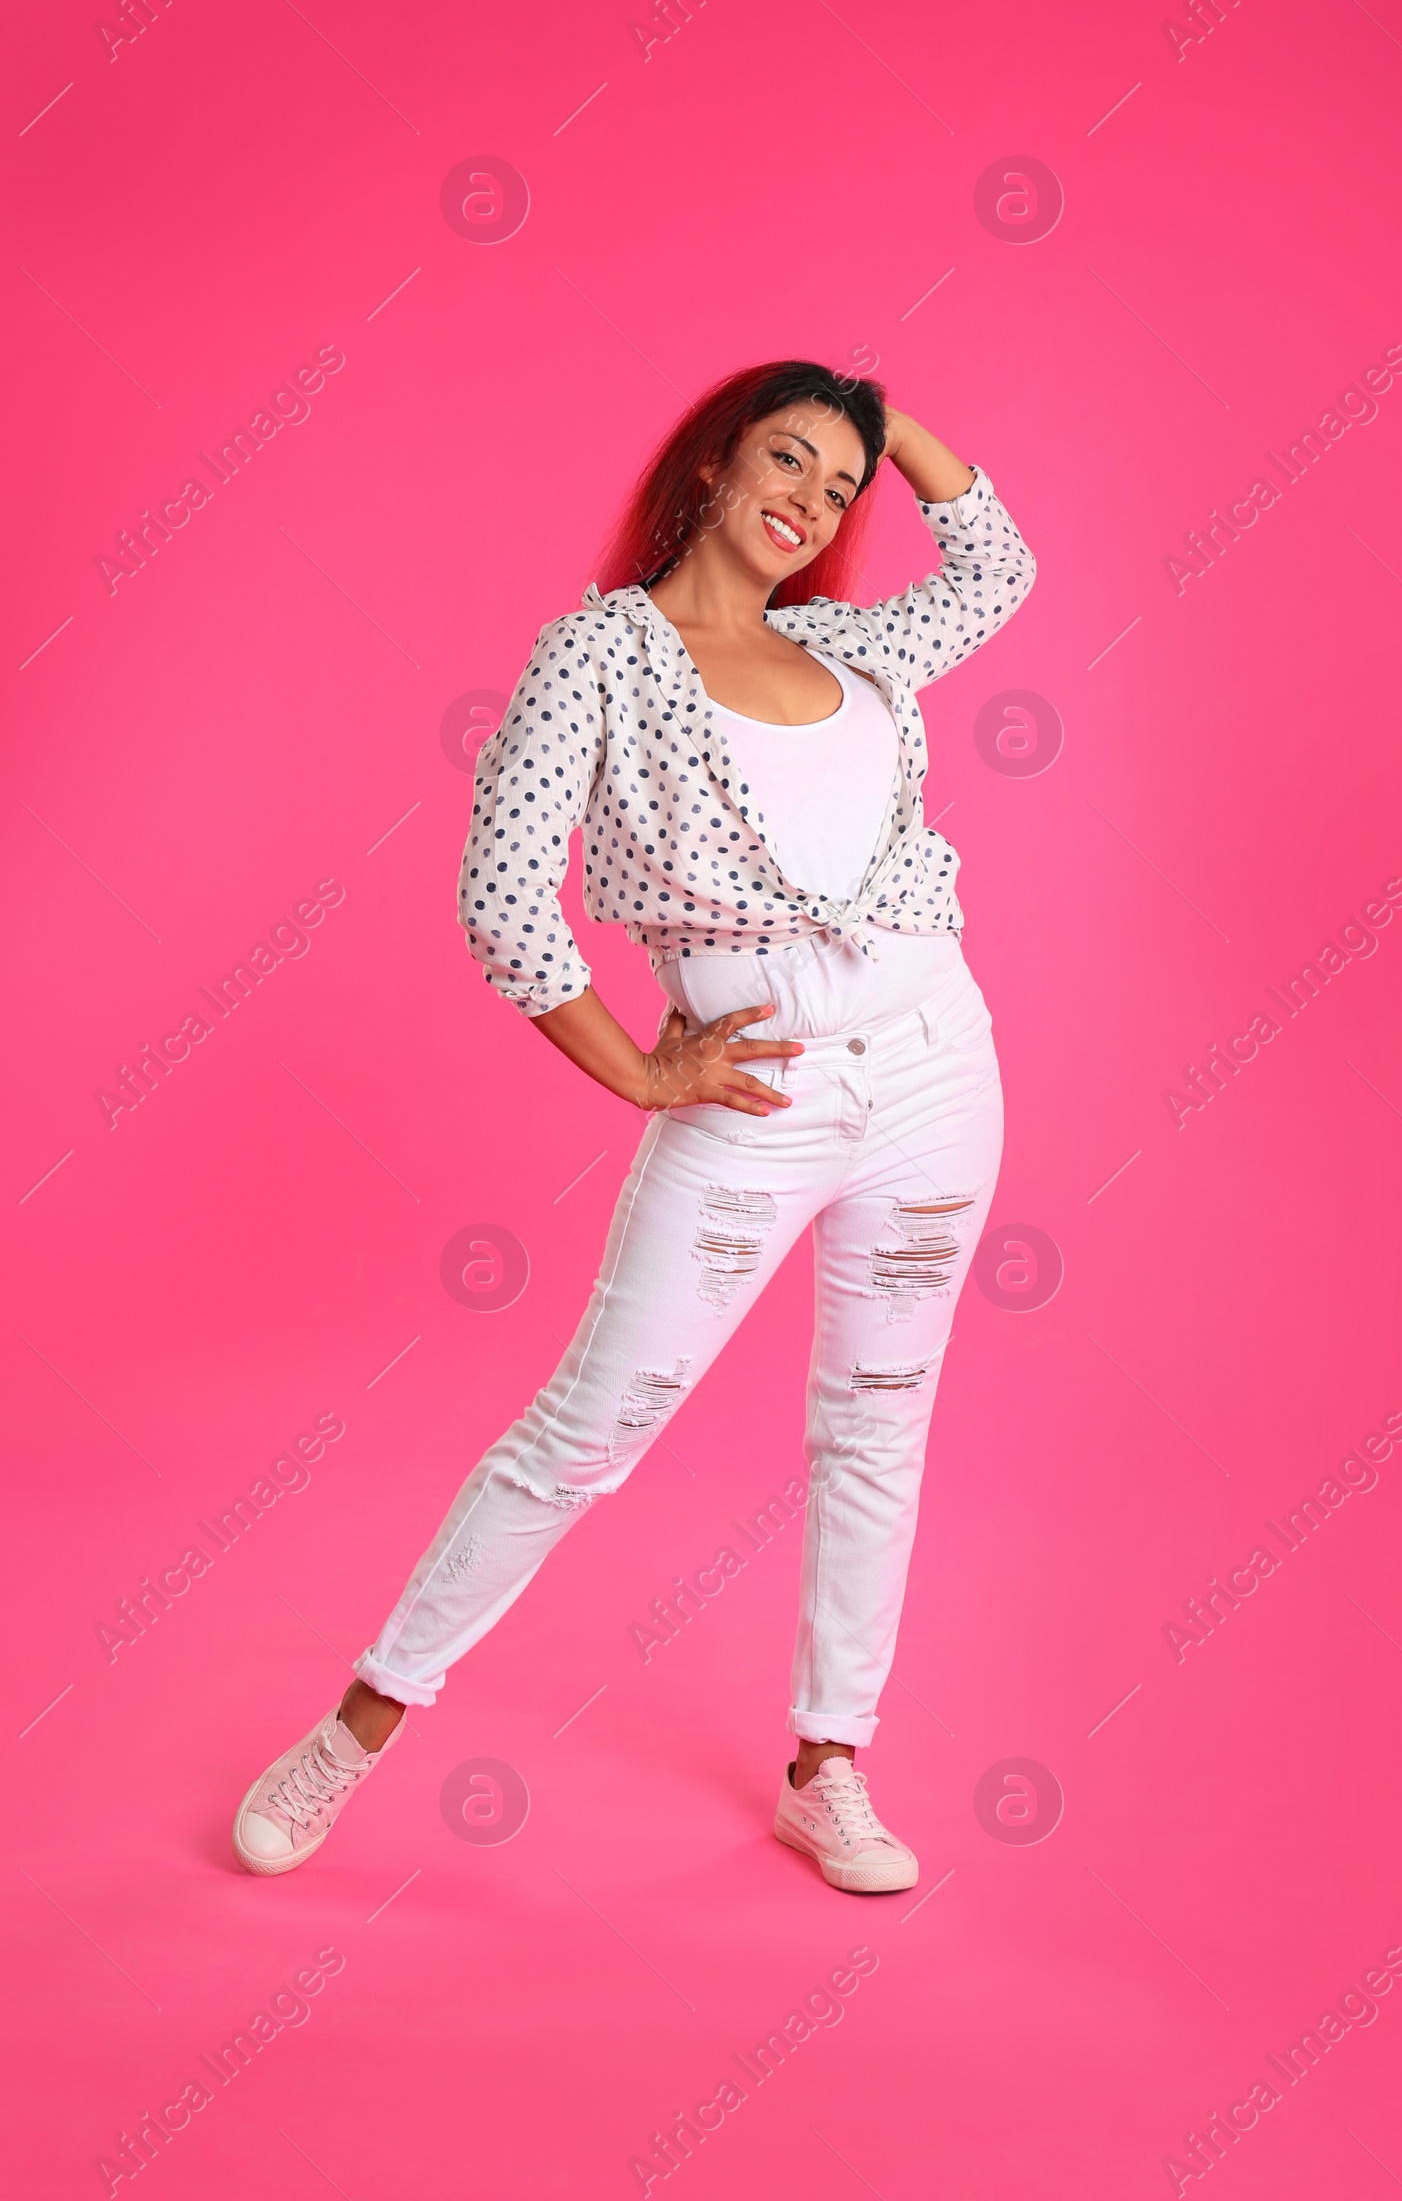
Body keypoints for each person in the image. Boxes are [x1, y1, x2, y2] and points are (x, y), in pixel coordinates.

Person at [232, 359, 1036, 1893]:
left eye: (839, 487)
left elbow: (1000, 563)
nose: (807, 503)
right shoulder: (601, 655)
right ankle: (347, 1736)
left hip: (939, 1077)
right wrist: (642, 1072)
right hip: (762, 1100)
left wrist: (885, 415)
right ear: (714, 465)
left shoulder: (856, 649)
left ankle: (830, 1766)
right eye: (786, 462)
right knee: (586, 1429)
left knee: (880, 1424)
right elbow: (500, 902)